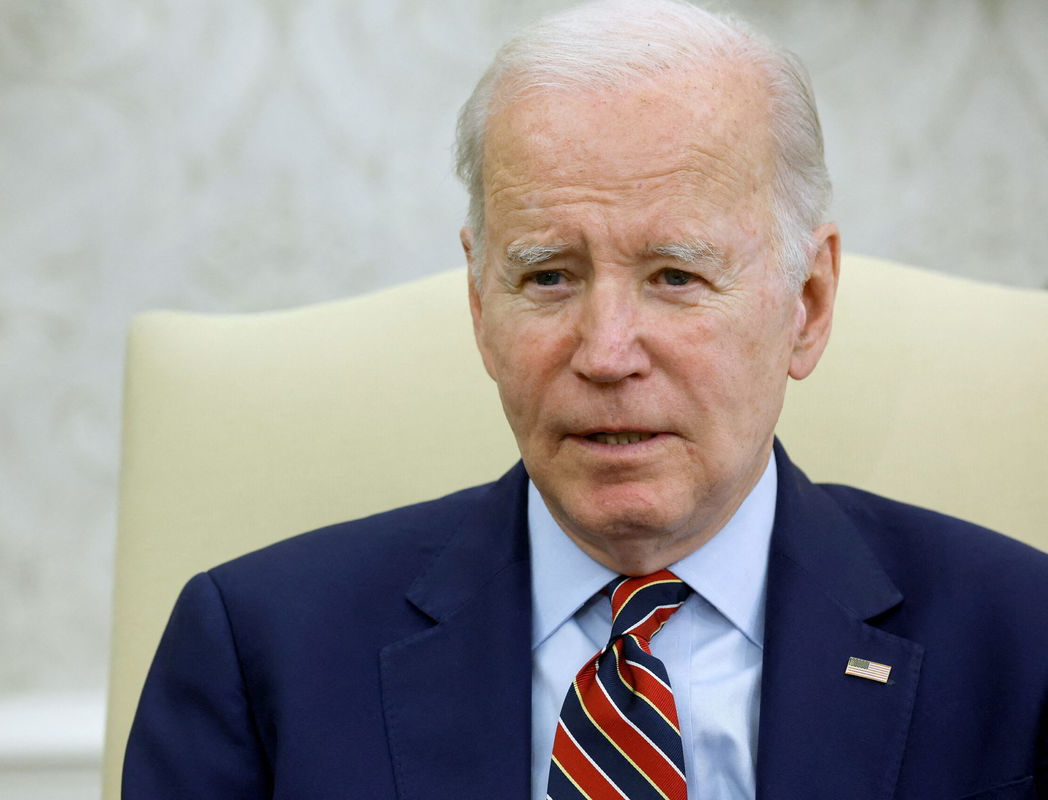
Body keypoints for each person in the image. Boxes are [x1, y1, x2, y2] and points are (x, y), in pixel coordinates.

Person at [123, 1, 1048, 797]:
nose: (606, 354)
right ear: (481, 306)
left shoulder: (1023, 642)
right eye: (550, 277)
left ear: (806, 307)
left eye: (677, 276)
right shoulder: (260, 652)